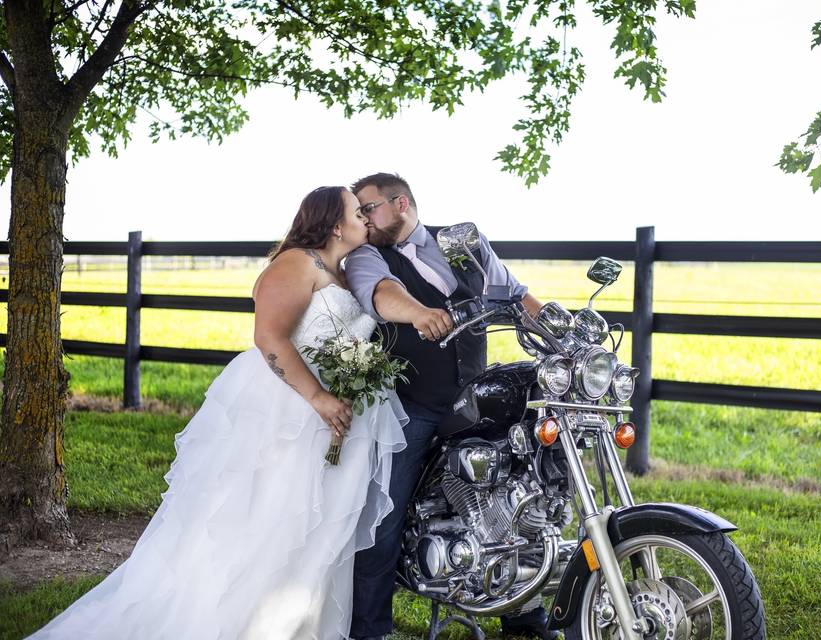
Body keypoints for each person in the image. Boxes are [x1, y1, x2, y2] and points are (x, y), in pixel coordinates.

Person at [27, 186, 407, 640]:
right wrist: (321, 399)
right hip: (288, 414)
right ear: (333, 224)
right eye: (356, 211)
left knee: (318, 532)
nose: (366, 217)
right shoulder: (296, 264)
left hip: (329, 423)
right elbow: (270, 337)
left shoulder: (342, 273)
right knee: (274, 525)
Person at [344, 173, 557, 640]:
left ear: (401, 203)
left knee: (518, 496)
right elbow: (380, 294)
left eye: (368, 208)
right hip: (412, 404)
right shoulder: (364, 254)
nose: (362, 218)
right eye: (358, 212)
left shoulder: (461, 243)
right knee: (381, 518)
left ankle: (524, 616)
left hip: (476, 399)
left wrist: (563, 338)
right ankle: (369, 630)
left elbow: (516, 295)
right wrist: (419, 313)